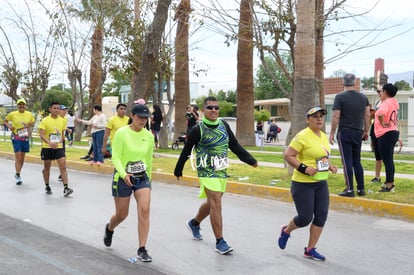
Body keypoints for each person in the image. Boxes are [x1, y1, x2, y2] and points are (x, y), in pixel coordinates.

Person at [174, 96, 258, 255]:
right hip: (205, 170)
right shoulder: (197, 129)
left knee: (213, 202)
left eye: (216, 108)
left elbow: (234, 145)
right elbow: (187, 151)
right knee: (216, 202)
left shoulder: (224, 125)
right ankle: (220, 241)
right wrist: (179, 169)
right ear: (203, 110)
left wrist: (250, 160)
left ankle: (194, 223)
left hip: (221, 169)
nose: (214, 110)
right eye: (210, 108)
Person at [279, 106, 337, 261]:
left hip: (321, 183)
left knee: (321, 217)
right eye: (315, 116)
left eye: (321, 116)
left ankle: (310, 249)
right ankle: (286, 231)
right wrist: (304, 168)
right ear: (308, 119)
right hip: (302, 183)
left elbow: (322, 155)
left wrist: (330, 166)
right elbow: (288, 155)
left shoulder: (323, 135)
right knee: (305, 218)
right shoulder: (302, 136)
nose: (319, 119)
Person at [103, 104, 154, 262]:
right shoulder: (122, 133)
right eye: (140, 117)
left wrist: (149, 178)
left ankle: (142, 248)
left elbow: (148, 159)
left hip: (142, 177)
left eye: (145, 118)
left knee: (144, 210)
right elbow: (116, 158)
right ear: (132, 116)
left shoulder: (149, 136)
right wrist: (124, 174)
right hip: (123, 177)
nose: (143, 120)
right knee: (122, 214)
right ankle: (110, 228)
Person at [329, 73, 370, 197]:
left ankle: (350, 189)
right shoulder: (363, 98)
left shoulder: (340, 97)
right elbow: (367, 115)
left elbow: (336, 116)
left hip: (345, 131)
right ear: (355, 83)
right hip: (358, 131)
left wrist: (331, 133)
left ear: (343, 83)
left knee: (347, 161)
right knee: (357, 161)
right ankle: (361, 189)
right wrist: (366, 131)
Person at [38, 101, 73, 197]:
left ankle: (66, 188)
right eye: (54, 108)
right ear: (50, 109)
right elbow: (41, 135)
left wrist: (60, 141)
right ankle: (47, 185)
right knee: (47, 168)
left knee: (63, 166)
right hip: (47, 147)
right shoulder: (45, 120)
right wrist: (49, 143)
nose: (56, 110)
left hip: (58, 147)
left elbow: (62, 136)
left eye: (58, 108)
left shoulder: (62, 120)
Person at [374, 83, 400, 192]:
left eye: (381, 91)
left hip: (386, 133)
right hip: (393, 132)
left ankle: (389, 184)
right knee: (389, 159)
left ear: (385, 92)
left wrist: (382, 123)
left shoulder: (386, 103)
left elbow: (380, 113)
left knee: (387, 160)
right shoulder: (394, 103)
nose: (380, 93)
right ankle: (390, 182)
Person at [4, 98, 35, 185]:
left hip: (25, 137)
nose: (21, 106)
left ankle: (18, 173)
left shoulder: (29, 114)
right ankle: (18, 175)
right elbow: (5, 121)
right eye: (19, 104)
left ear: (25, 105)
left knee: (22, 158)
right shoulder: (12, 114)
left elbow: (33, 122)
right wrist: (10, 126)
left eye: (23, 104)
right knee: (18, 156)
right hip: (16, 136)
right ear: (17, 106)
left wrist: (29, 125)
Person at [369, 90, 383, 183]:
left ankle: (389, 179)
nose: (379, 93)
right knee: (377, 156)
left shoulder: (388, 104)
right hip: (375, 130)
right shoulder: (378, 102)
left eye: (381, 91)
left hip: (383, 131)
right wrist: (372, 115)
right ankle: (377, 177)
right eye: (378, 92)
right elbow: (372, 118)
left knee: (385, 156)